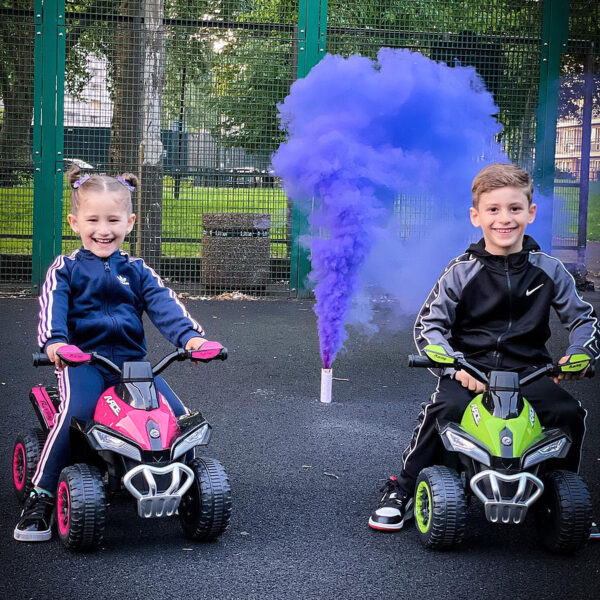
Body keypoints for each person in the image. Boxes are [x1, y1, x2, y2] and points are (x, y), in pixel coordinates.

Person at [368, 162, 600, 531]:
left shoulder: (550, 269)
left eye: (514, 209)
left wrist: (581, 353)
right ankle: (403, 487)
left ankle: (563, 498)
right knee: (444, 408)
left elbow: (583, 320)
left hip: (531, 370)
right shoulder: (461, 270)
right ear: (476, 216)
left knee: (567, 412)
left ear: (530, 213)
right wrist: (452, 366)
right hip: (470, 369)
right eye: (493, 210)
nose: (504, 219)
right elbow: (430, 325)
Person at [15, 166, 207, 542]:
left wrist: (190, 339)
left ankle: (185, 486)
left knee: (178, 419)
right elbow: (52, 306)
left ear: (129, 222)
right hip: (82, 362)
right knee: (76, 417)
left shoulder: (137, 270)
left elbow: (164, 305)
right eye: (93, 220)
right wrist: (55, 343)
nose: (103, 229)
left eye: (113, 220)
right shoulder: (65, 269)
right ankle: (40, 495)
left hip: (133, 366)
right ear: (74, 222)